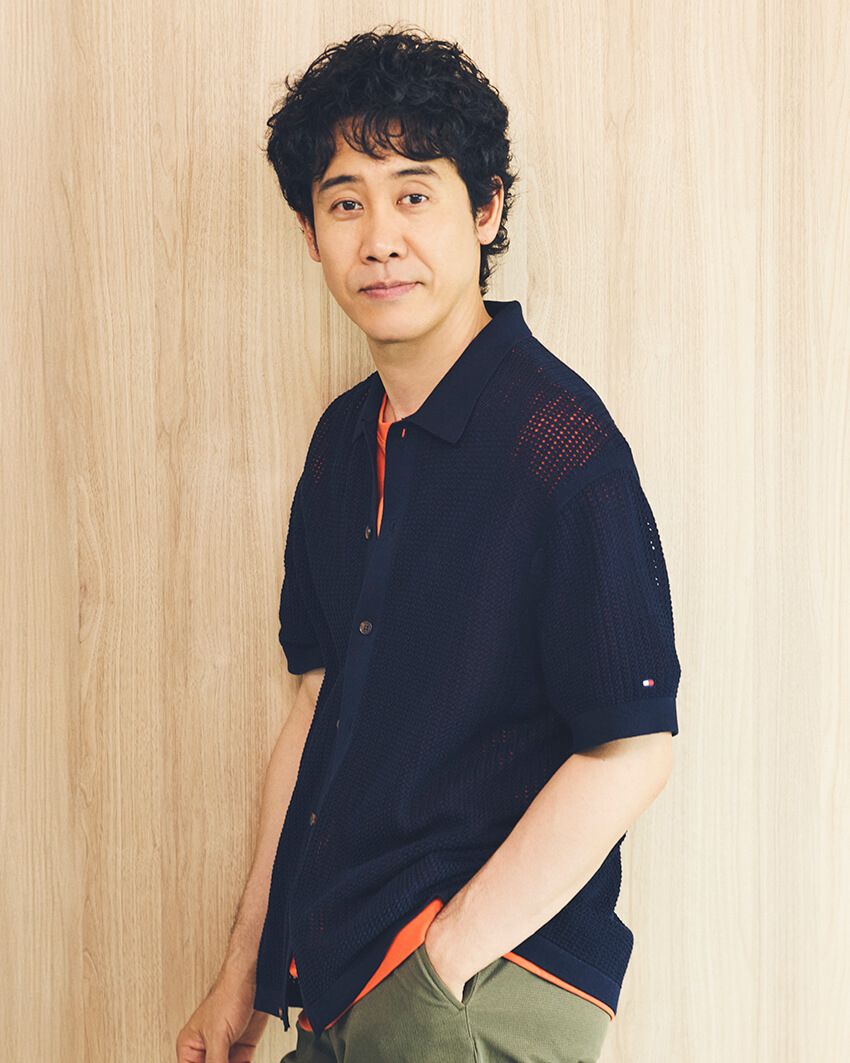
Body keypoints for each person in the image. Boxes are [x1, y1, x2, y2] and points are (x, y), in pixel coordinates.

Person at [177, 23, 682, 1063]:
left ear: (485, 208)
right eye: (345, 203)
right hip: (344, 980)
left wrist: (444, 962)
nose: (379, 238)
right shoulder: (340, 442)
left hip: (473, 988)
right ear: (311, 232)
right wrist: (246, 974)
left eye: (414, 194)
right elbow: (315, 707)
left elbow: (632, 746)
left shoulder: (559, 444)